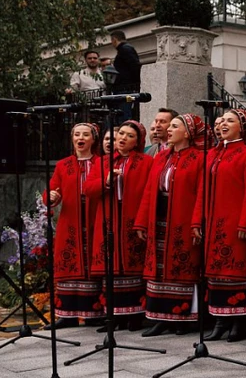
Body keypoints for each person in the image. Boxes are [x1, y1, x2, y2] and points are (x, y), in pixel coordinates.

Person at [194, 109, 246, 342]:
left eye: (229, 121)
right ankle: (220, 321)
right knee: (215, 274)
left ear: (242, 127)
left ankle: (238, 323)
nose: (223, 124)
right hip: (213, 223)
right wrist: (197, 220)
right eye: (221, 121)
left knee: (236, 272)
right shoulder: (211, 154)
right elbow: (202, 189)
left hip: (235, 223)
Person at [135, 114, 205, 336]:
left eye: (175, 126)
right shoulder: (161, 157)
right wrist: (142, 222)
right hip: (160, 215)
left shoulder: (199, 158)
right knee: (159, 266)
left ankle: (182, 317)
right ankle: (160, 318)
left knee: (181, 264)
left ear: (187, 133)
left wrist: (196, 221)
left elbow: (201, 193)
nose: (170, 130)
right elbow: (149, 190)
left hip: (182, 217)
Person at [91, 120, 151, 331]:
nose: (123, 138)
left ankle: (134, 315)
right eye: (120, 134)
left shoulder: (146, 162)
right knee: (111, 266)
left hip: (132, 218)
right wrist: (106, 181)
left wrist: (142, 220)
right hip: (108, 218)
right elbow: (89, 189)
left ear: (137, 142)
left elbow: (149, 193)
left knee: (132, 266)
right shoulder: (104, 162)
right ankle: (113, 316)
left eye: (129, 136)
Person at [49, 122, 105, 326]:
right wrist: (52, 196)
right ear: (72, 139)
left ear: (93, 139)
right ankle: (67, 314)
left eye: (85, 134)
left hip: (94, 217)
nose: (80, 138)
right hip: (70, 219)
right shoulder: (63, 165)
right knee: (68, 261)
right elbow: (52, 191)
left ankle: (94, 313)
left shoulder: (102, 162)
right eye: (77, 134)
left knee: (93, 259)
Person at [110, 30, 143, 121]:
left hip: (126, 89)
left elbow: (134, 66)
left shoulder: (125, 49)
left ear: (114, 39)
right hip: (126, 89)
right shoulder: (126, 49)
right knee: (123, 110)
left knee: (124, 111)